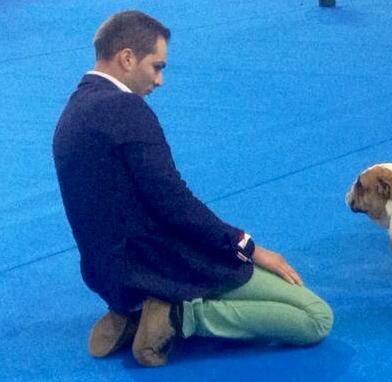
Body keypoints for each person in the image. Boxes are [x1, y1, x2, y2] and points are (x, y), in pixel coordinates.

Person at [53, 10, 333, 367]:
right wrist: (247, 247)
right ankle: (177, 317)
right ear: (126, 58)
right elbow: (175, 204)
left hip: (109, 277)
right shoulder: (126, 111)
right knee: (315, 317)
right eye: (157, 66)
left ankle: (135, 312)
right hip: (158, 266)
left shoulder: (74, 109)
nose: (159, 80)